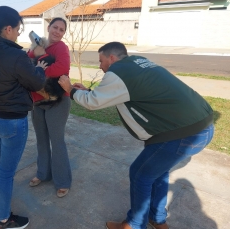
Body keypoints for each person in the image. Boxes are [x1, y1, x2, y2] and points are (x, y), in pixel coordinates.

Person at [58, 41, 214, 229]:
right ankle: (157, 219)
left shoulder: (117, 72)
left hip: (183, 134)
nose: (100, 66)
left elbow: (93, 103)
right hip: (202, 125)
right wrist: (89, 91)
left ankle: (134, 224)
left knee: (140, 174)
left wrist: (70, 89)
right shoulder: (139, 62)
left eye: (101, 61)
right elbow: (122, 93)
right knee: (158, 172)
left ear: (112, 58)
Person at [0, 6, 48, 229]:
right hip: (11, 122)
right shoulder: (16, 56)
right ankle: (4, 220)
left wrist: (27, 60)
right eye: (17, 29)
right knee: (6, 173)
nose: (18, 33)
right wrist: (40, 68)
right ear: (7, 28)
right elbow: (37, 83)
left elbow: (6, 71)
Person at [27, 17, 72, 198]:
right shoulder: (38, 46)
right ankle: (42, 174)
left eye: (61, 30)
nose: (57, 32)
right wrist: (35, 54)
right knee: (41, 140)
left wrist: (40, 62)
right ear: (48, 27)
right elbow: (25, 65)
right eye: (55, 27)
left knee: (57, 142)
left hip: (57, 101)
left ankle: (62, 181)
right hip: (38, 101)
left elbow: (62, 68)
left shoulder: (61, 48)